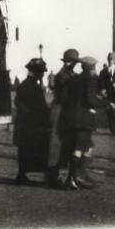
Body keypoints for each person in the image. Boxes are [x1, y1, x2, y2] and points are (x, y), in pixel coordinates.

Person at [63, 56, 115, 190]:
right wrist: (107, 103)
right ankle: (72, 178)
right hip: (84, 118)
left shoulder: (76, 78)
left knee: (85, 147)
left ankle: (77, 176)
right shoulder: (90, 78)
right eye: (94, 67)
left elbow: (77, 97)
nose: (95, 70)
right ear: (91, 67)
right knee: (80, 148)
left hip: (74, 117)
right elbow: (90, 99)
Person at [45, 48, 80, 187]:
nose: (72, 64)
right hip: (59, 110)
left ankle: (59, 175)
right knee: (55, 144)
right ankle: (52, 177)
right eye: (71, 62)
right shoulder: (62, 75)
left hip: (65, 111)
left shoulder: (70, 74)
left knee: (64, 144)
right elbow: (65, 93)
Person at [13, 58, 51, 185]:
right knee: (29, 148)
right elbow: (37, 105)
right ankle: (22, 176)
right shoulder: (32, 86)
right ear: (35, 72)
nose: (43, 74)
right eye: (41, 72)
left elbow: (18, 103)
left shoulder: (25, 85)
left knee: (25, 149)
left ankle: (21, 175)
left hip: (25, 122)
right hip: (30, 123)